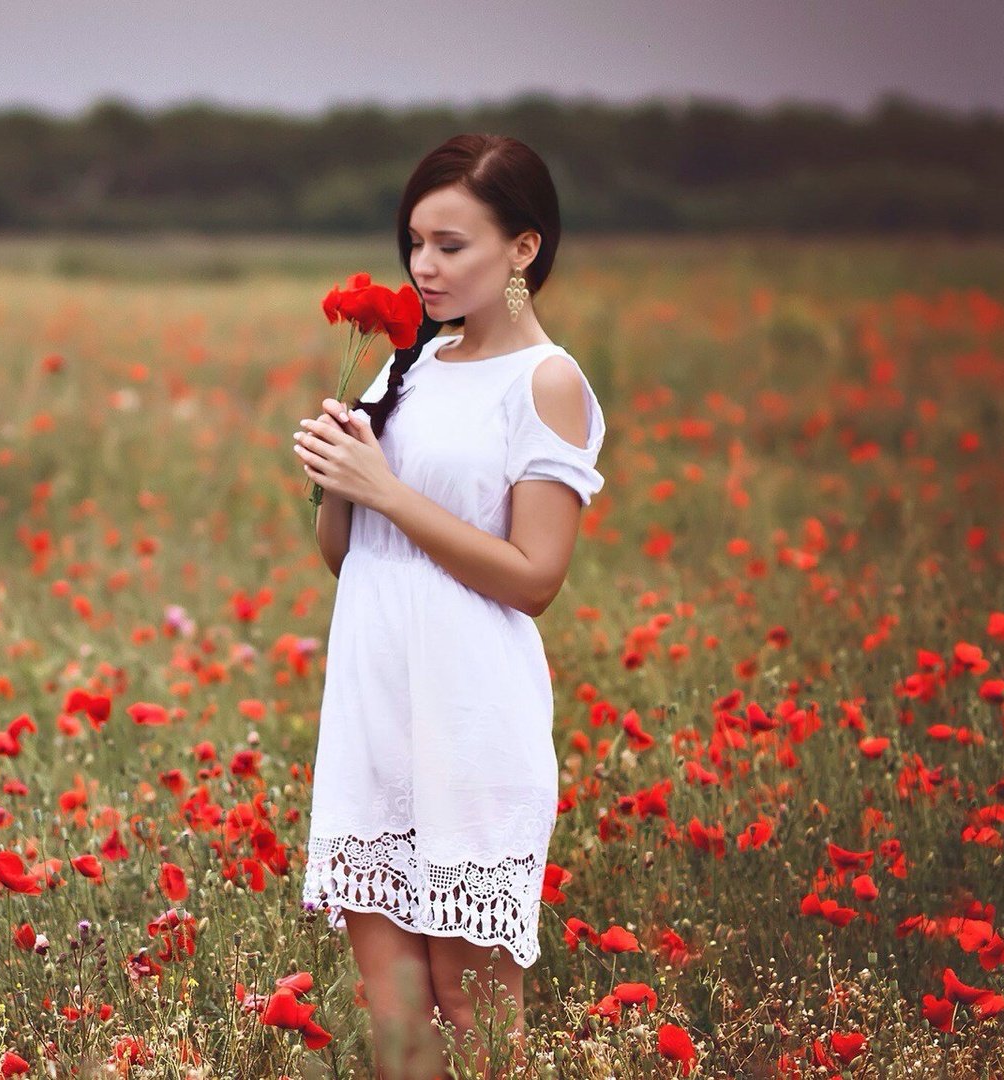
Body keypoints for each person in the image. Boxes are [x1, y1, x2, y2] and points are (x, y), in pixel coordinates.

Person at [291, 133, 606, 1080]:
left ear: (523, 249)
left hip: (470, 721)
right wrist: (340, 473)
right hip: (374, 714)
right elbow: (348, 558)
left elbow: (534, 576)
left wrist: (388, 491)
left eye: (452, 245)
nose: (424, 267)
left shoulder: (547, 382)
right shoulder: (403, 371)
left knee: (474, 1020)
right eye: (415, 242)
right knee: (400, 1032)